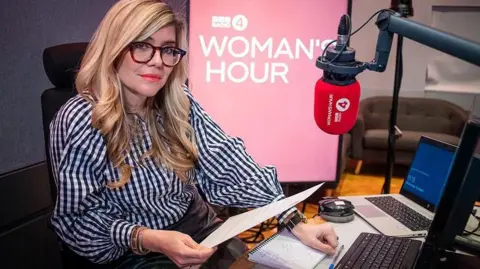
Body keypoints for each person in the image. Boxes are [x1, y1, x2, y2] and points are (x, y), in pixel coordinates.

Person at [48, 0, 338, 268]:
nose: (158, 61)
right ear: (115, 48)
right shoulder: (81, 118)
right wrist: (149, 238)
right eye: (143, 46)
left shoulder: (177, 99)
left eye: (168, 49)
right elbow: (76, 221)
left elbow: (227, 159)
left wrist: (295, 221)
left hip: (196, 225)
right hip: (132, 248)